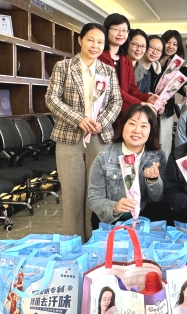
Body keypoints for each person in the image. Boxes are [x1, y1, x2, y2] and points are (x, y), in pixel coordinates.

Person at [46, 23, 122, 241]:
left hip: (99, 138)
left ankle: (95, 244)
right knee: (72, 195)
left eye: (100, 42)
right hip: (69, 138)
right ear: (80, 40)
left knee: (97, 193)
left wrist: (102, 121)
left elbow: (116, 102)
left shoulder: (107, 70)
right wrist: (79, 119)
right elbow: (51, 99)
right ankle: (74, 245)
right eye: (90, 40)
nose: (95, 46)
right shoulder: (64, 67)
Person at [88, 104, 166, 226]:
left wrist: (153, 180)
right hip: (114, 220)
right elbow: (94, 200)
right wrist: (115, 207)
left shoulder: (157, 156)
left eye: (144, 126)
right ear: (123, 125)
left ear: (151, 130)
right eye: (132, 123)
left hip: (145, 217)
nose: (136, 130)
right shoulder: (103, 158)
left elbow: (158, 198)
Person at [99, 15, 157, 118]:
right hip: (102, 113)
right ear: (106, 30)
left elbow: (132, 89)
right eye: (116, 29)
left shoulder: (125, 61)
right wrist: (140, 103)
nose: (121, 33)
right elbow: (113, 89)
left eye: (125, 30)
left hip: (122, 114)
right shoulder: (100, 57)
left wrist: (148, 98)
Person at [155, 29, 185, 157]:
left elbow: (181, 89)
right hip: (148, 107)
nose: (171, 46)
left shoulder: (178, 67)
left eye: (175, 44)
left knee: (164, 144)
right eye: (168, 42)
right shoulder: (152, 61)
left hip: (166, 110)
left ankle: (162, 173)